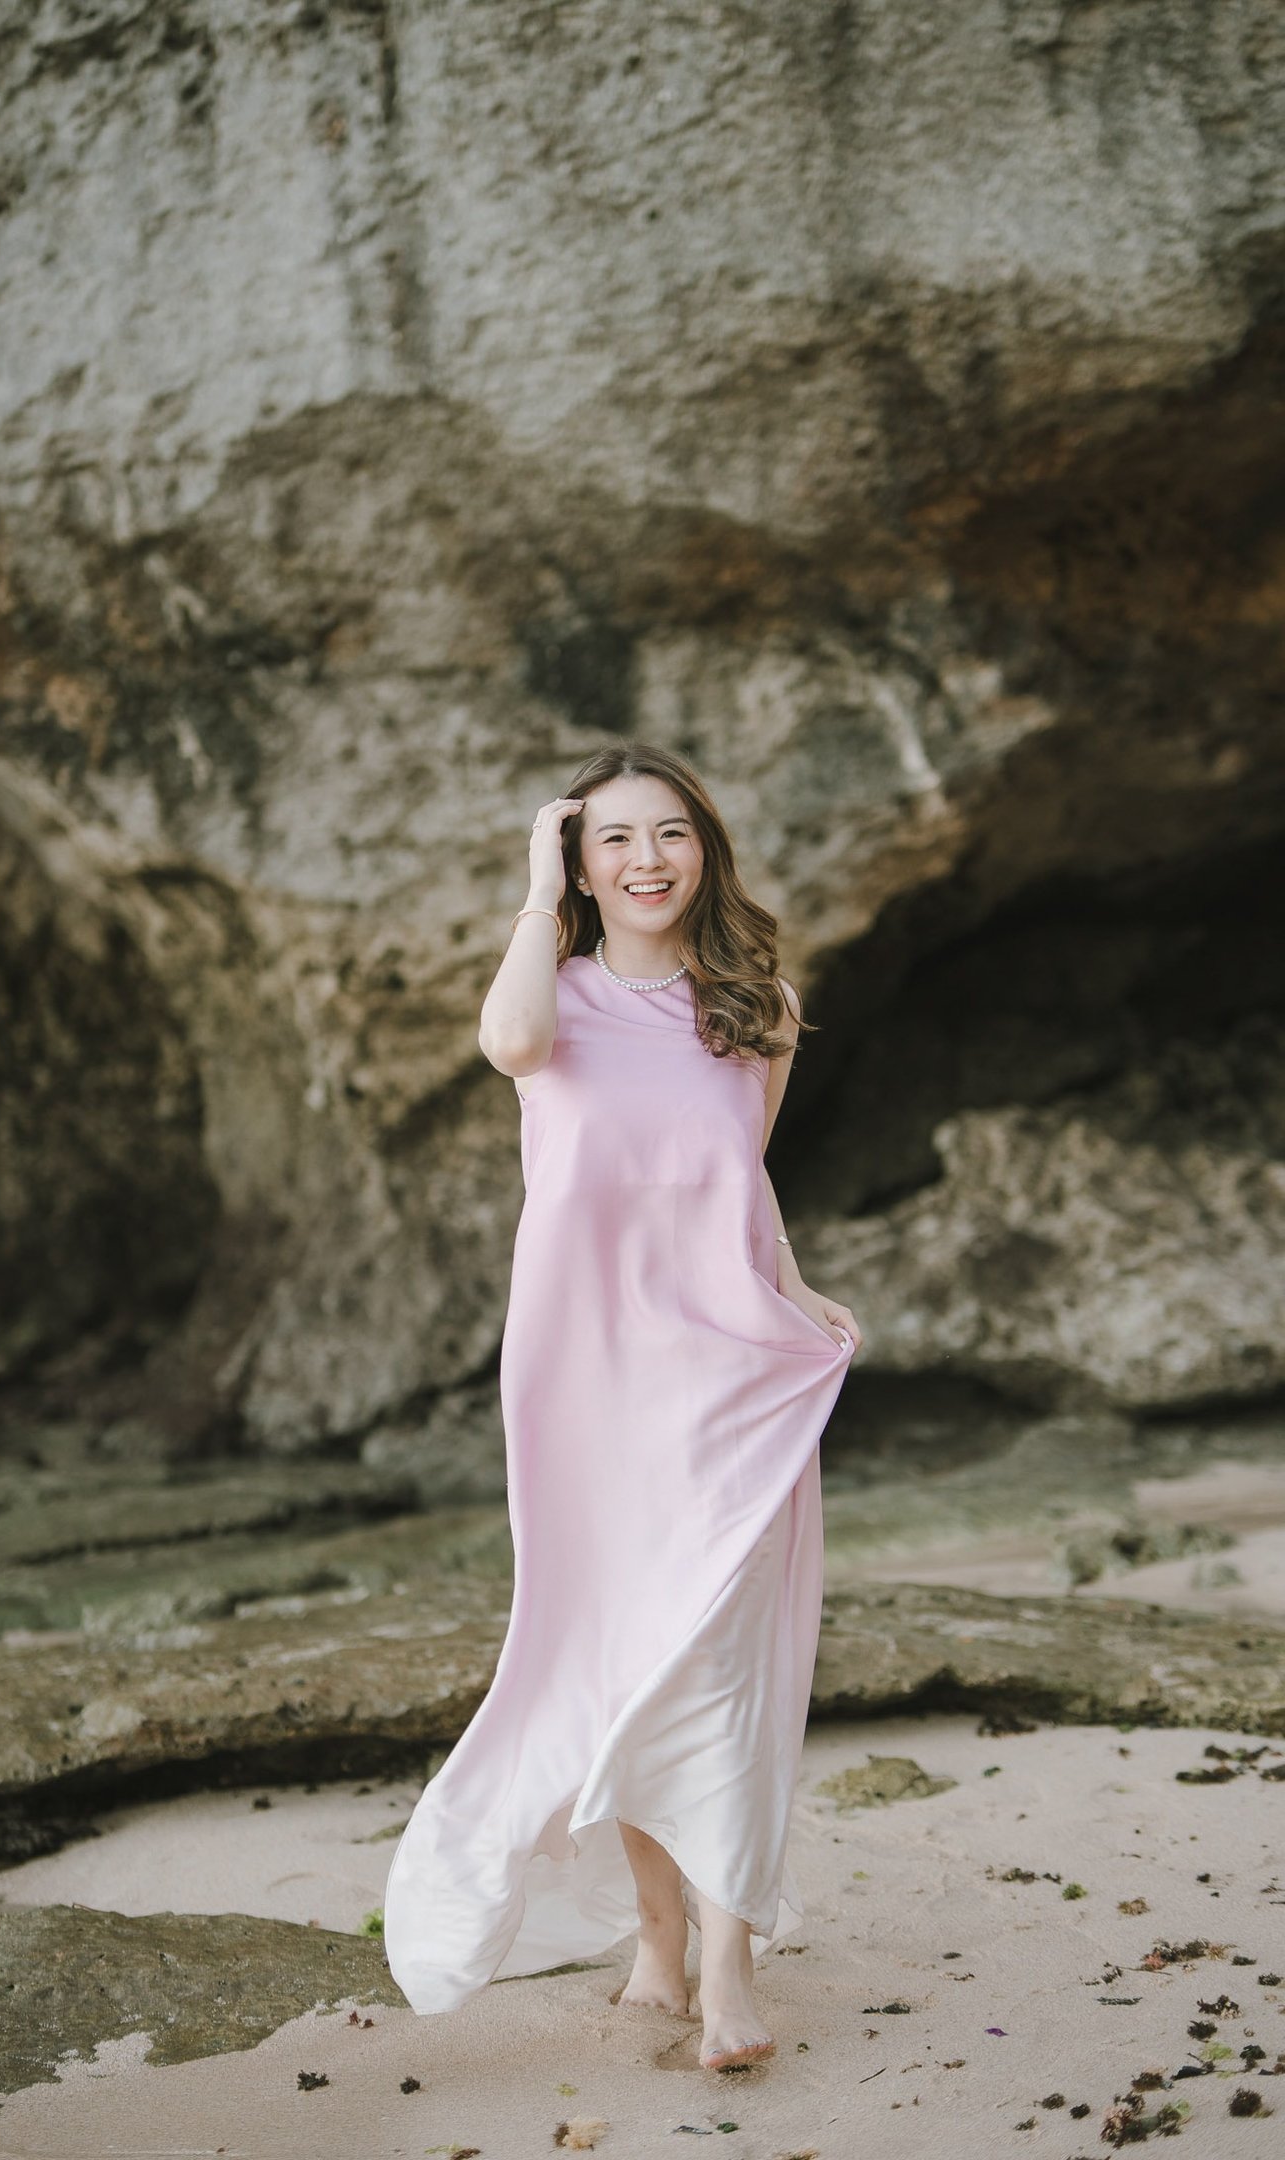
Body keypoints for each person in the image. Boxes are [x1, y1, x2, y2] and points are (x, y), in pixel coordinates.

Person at [382, 741, 861, 2073]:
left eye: (673, 836)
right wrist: (538, 889)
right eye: (615, 841)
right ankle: (657, 1939)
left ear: (707, 851)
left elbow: (733, 1185)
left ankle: (726, 1965)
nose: (648, 860)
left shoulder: (756, 1008)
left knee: (713, 1657)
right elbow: (509, 1042)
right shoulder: (555, 994)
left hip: (722, 1371)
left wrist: (799, 1286)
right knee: (627, 1662)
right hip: (586, 1375)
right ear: (585, 865)